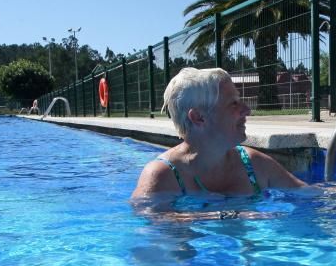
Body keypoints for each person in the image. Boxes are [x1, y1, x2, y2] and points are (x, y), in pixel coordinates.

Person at [131, 67, 305, 201]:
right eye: (233, 104)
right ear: (199, 117)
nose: (247, 110)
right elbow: (151, 230)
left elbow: (310, 194)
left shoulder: (253, 163)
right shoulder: (162, 176)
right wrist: (227, 215)